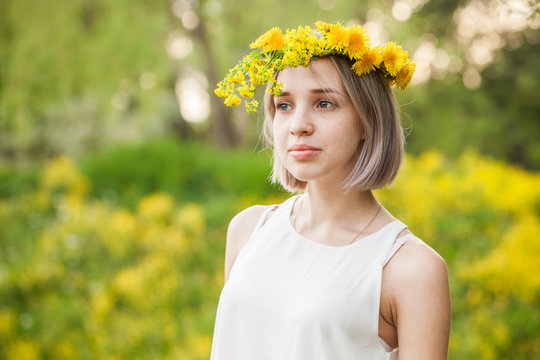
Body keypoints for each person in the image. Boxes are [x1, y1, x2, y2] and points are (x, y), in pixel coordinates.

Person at [211, 22, 451, 360]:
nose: (298, 126)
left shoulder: (411, 269)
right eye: (284, 105)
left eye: (324, 103)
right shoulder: (248, 230)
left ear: (369, 121)